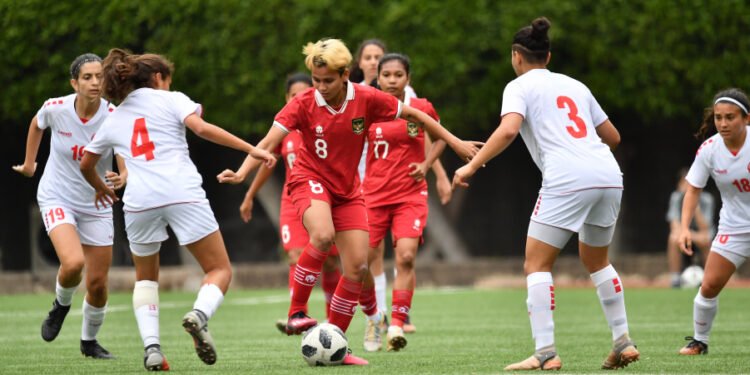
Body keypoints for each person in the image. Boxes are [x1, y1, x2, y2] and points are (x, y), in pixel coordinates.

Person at [217, 38, 479, 365]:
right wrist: (242, 173)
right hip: (309, 180)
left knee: (356, 267)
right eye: (316, 81)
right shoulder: (302, 104)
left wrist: (454, 143)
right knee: (323, 236)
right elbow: (269, 141)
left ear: (345, 75)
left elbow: (414, 113)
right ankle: (297, 311)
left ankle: (336, 346)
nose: (321, 87)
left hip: (348, 190)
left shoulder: (366, 97)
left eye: (328, 80)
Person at [452, 17, 639, 371]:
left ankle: (546, 352)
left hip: (567, 178)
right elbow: (613, 137)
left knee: (536, 265)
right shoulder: (576, 85)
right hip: (609, 175)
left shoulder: (518, 86)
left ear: (515, 56)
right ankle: (622, 340)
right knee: (597, 261)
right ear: (548, 56)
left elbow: (508, 131)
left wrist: (471, 166)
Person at [80, 48, 275, 371]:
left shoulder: (114, 117)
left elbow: (87, 163)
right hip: (182, 193)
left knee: (145, 279)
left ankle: (152, 349)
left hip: (139, 202)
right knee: (219, 270)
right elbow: (201, 128)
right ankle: (199, 315)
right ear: (159, 78)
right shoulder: (171, 99)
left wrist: (101, 187)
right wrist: (251, 148)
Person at [13, 53, 125, 359]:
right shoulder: (56, 108)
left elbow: (121, 148)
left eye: (99, 76)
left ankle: (89, 342)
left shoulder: (114, 114)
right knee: (73, 263)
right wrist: (29, 162)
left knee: (99, 283)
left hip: (97, 200)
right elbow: (37, 124)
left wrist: (122, 174)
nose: (95, 83)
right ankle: (60, 305)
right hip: (57, 196)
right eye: (87, 77)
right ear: (74, 83)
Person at [359, 53, 452, 353]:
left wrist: (426, 166)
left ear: (408, 79)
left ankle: (397, 324)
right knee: (363, 263)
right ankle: (375, 317)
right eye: (386, 75)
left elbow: (440, 137)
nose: (392, 80)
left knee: (407, 257)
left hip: (410, 195)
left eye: (398, 75)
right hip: (372, 194)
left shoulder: (420, 108)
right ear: (378, 77)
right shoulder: (368, 109)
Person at [236, 73, 342, 332]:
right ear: (287, 98)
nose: (299, 98)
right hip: (292, 199)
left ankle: (332, 320)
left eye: (305, 92)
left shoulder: (321, 122)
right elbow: (266, 162)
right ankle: (298, 315)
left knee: (329, 260)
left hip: (323, 197)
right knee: (294, 254)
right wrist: (249, 195)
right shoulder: (283, 127)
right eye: (294, 94)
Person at [351, 39, 418, 334]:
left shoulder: (408, 98)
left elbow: (422, 134)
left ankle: (395, 317)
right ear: (363, 64)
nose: (372, 61)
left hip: (400, 184)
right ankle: (375, 316)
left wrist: (435, 170)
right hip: (361, 182)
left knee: (402, 254)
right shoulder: (351, 95)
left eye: (377, 55)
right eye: (369, 57)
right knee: (365, 257)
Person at [677, 88, 750, 356]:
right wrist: (684, 227)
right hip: (734, 228)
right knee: (708, 286)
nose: (723, 123)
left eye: (730, 117)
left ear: (747, 119)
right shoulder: (709, 150)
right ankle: (699, 341)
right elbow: (693, 189)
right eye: (719, 117)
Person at [666, 168, 715, 288]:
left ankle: (710, 278)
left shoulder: (707, 199)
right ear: (679, 184)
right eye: (685, 182)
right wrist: (686, 234)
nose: (688, 186)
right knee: (673, 238)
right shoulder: (676, 197)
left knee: (705, 239)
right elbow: (674, 227)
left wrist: (694, 204)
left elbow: (705, 229)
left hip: (701, 236)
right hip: (684, 235)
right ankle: (675, 279)